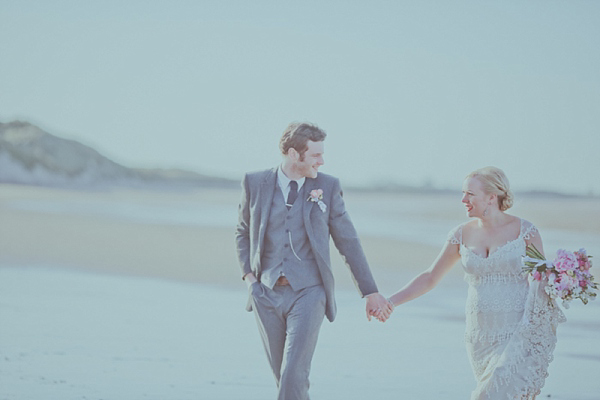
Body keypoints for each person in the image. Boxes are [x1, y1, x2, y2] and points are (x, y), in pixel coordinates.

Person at [235, 122, 393, 400]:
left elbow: (348, 241)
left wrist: (369, 292)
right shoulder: (254, 182)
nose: (322, 160)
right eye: (316, 155)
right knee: (283, 377)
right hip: (266, 292)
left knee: (294, 373)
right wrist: (250, 279)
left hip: (309, 293)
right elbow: (242, 232)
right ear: (294, 155)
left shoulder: (327, 187)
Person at [384, 166, 565, 399]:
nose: (463, 199)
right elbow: (430, 277)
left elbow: (539, 280)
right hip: (478, 336)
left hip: (516, 332)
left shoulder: (526, 232)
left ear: (492, 196)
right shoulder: (460, 234)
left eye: (470, 194)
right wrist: (390, 302)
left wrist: (563, 278)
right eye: (463, 193)